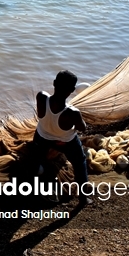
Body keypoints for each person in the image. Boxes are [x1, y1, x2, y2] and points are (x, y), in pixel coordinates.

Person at [25, 70, 90, 207]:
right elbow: (83, 128)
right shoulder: (72, 112)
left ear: (54, 83)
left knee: (34, 161)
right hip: (65, 142)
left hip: (42, 138)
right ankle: (83, 199)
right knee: (80, 163)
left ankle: (29, 193)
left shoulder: (42, 97)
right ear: (72, 90)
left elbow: (41, 115)